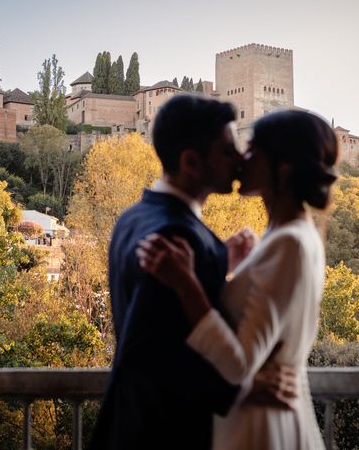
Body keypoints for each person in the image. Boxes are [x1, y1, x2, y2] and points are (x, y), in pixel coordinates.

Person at [89, 95, 296, 450]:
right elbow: (155, 353)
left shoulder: (133, 217)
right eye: (227, 150)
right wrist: (243, 390)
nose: (239, 160)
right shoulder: (178, 235)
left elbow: (159, 319)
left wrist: (219, 259)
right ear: (191, 161)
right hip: (164, 435)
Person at [138, 109, 339, 449]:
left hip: (259, 429)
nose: (242, 157)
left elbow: (239, 365)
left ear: (283, 168)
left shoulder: (288, 243)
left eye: (254, 149)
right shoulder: (292, 236)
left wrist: (186, 283)